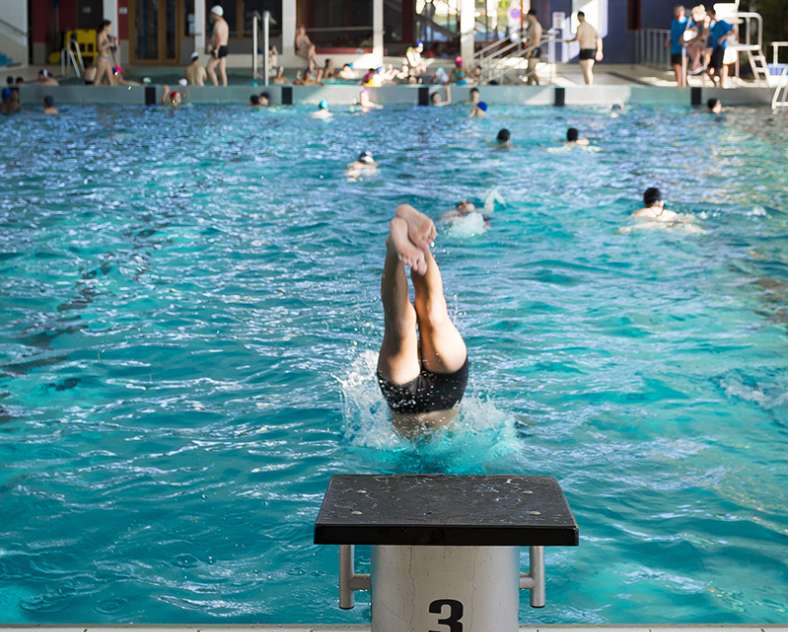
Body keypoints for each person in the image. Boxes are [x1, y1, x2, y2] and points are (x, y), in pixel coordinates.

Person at [377, 204, 468, 438]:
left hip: (447, 389)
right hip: (407, 398)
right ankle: (399, 245)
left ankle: (408, 240)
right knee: (402, 326)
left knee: (431, 314)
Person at [623, 187, 703, 233]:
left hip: (649, 226)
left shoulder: (640, 212)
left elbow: (628, 221)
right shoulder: (671, 213)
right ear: (661, 202)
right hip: (671, 225)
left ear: (645, 203)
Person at [565, 11, 603, 85]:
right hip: (591, 50)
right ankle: (588, 85)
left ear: (579, 17)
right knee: (587, 70)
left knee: (586, 70)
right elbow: (599, 39)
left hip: (585, 50)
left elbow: (577, 38)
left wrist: (569, 41)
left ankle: (589, 85)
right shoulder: (591, 27)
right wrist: (599, 50)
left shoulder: (580, 27)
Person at [705, 7, 734, 88]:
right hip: (714, 49)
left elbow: (732, 31)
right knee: (708, 69)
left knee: (719, 67)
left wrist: (723, 38)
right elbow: (708, 33)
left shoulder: (722, 23)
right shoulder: (713, 25)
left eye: (709, 14)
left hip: (720, 48)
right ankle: (716, 84)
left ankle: (721, 85)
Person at [207, 6, 229, 87]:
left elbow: (219, 37)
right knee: (222, 69)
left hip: (219, 48)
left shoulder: (218, 24)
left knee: (209, 68)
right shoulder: (225, 23)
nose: (211, 16)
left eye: (212, 14)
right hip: (224, 47)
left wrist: (216, 49)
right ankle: (225, 85)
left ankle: (215, 85)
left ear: (216, 14)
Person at [525, 9, 544, 85]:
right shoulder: (532, 25)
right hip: (532, 49)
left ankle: (538, 84)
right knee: (529, 71)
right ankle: (528, 86)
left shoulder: (536, 25)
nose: (527, 18)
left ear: (531, 16)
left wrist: (529, 51)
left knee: (530, 70)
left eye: (528, 16)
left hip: (535, 49)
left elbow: (536, 40)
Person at [670, 5, 688, 87]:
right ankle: (681, 82)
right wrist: (668, 40)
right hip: (674, 48)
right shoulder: (673, 21)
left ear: (682, 12)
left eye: (678, 11)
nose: (676, 13)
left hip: (682, 49)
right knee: (675, 66)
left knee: (679, 66)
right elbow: (672, 33)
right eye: (676, 11)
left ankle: (680, 84)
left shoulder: (687, 22)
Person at [94, 20, 116, 85]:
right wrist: (108, 44)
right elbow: (99, 48)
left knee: (110, 80)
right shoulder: (100, 35)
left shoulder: (106, 35)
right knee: (97, 80)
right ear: (105, 27)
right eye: (109, 26)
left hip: (106, 59)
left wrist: (113, 44)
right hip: (102, 59)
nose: (110, 28)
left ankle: (112, 94)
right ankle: (91, 93)